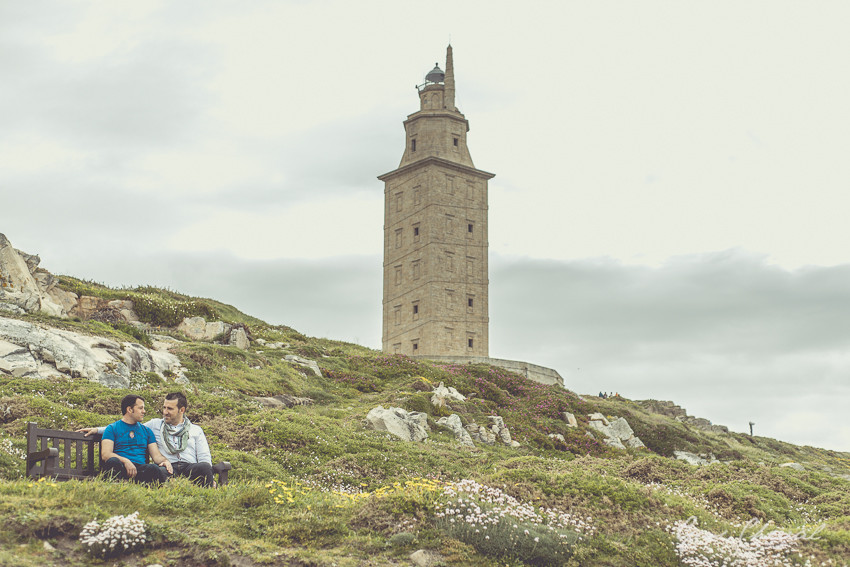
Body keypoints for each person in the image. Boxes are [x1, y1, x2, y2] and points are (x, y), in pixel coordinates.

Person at [80, 392, 215, 487]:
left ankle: (207, 497)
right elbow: (125, 427)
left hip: (188, 466)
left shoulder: (196, 430)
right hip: (168, 469)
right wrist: (98, 430)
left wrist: (210, 477)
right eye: (164, 407)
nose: (165, 412)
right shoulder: (155, 425)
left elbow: (204, 456)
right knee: (154, 470)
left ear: (182, 410)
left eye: (169, 409)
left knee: (204, 467)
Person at [100, 394, 172, 484]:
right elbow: (106, 454)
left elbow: (156, 456)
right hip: (121, 467)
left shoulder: (147, 431)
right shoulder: (112, 428)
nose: (144, 411)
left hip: (140, 470)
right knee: (112, 462)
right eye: (140, 408)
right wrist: (126, 461)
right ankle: (116, 487)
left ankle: (151, 492)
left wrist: (165, 461)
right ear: (130, 409)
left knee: (153, 468)